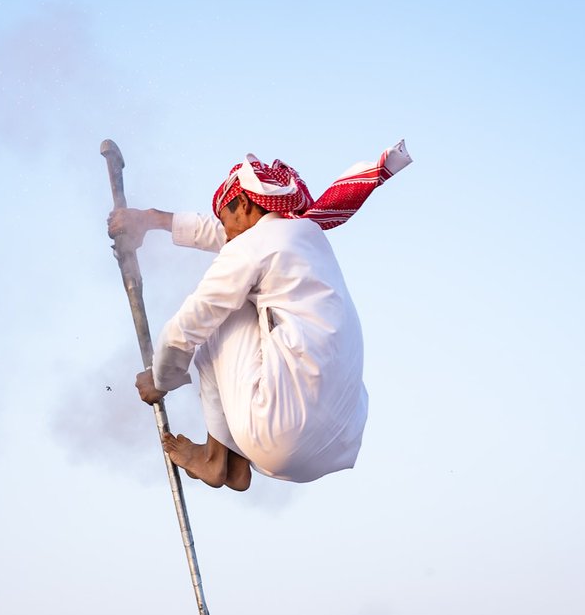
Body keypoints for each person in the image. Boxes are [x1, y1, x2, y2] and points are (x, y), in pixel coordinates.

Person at [107, 143, 411, 491]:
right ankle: (233, 463)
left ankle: (215, 459)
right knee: (244, 306)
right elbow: (233, 236)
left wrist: (160, 380)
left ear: (247, 205)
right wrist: (150, 220)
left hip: (283, 435)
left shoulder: (252, 247)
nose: (226, 233)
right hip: (339, 441)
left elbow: (185, 328)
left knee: (216, 315)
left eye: (227, 218)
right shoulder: (304, 236)